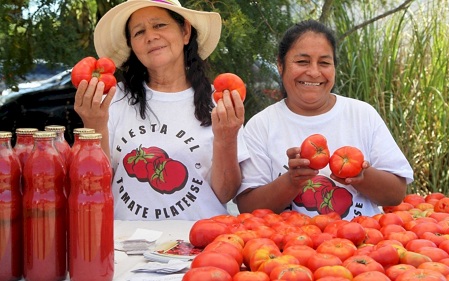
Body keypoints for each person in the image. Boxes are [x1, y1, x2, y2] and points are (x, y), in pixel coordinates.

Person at [74, 0, 249, 221]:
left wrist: (226, 138)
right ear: (132, 46)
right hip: (126, 247)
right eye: (139, 32)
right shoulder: (111, 100)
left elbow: (225, 193)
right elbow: (93, 186)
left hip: (200, 244)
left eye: (159, 25)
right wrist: (94, 125)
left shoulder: (220, 103)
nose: (150, 36)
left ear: (185, 32)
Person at [235, 19, 414, 220]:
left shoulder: (362, 115)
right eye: (302, 62)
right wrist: (291, 181)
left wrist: (362, 177)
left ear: (334, 68)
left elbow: (396, 194)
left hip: (359, 243)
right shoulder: (262, 125)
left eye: (324, 63)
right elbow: (248, 208)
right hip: (287, 247)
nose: (313, 72)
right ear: (280, 64)